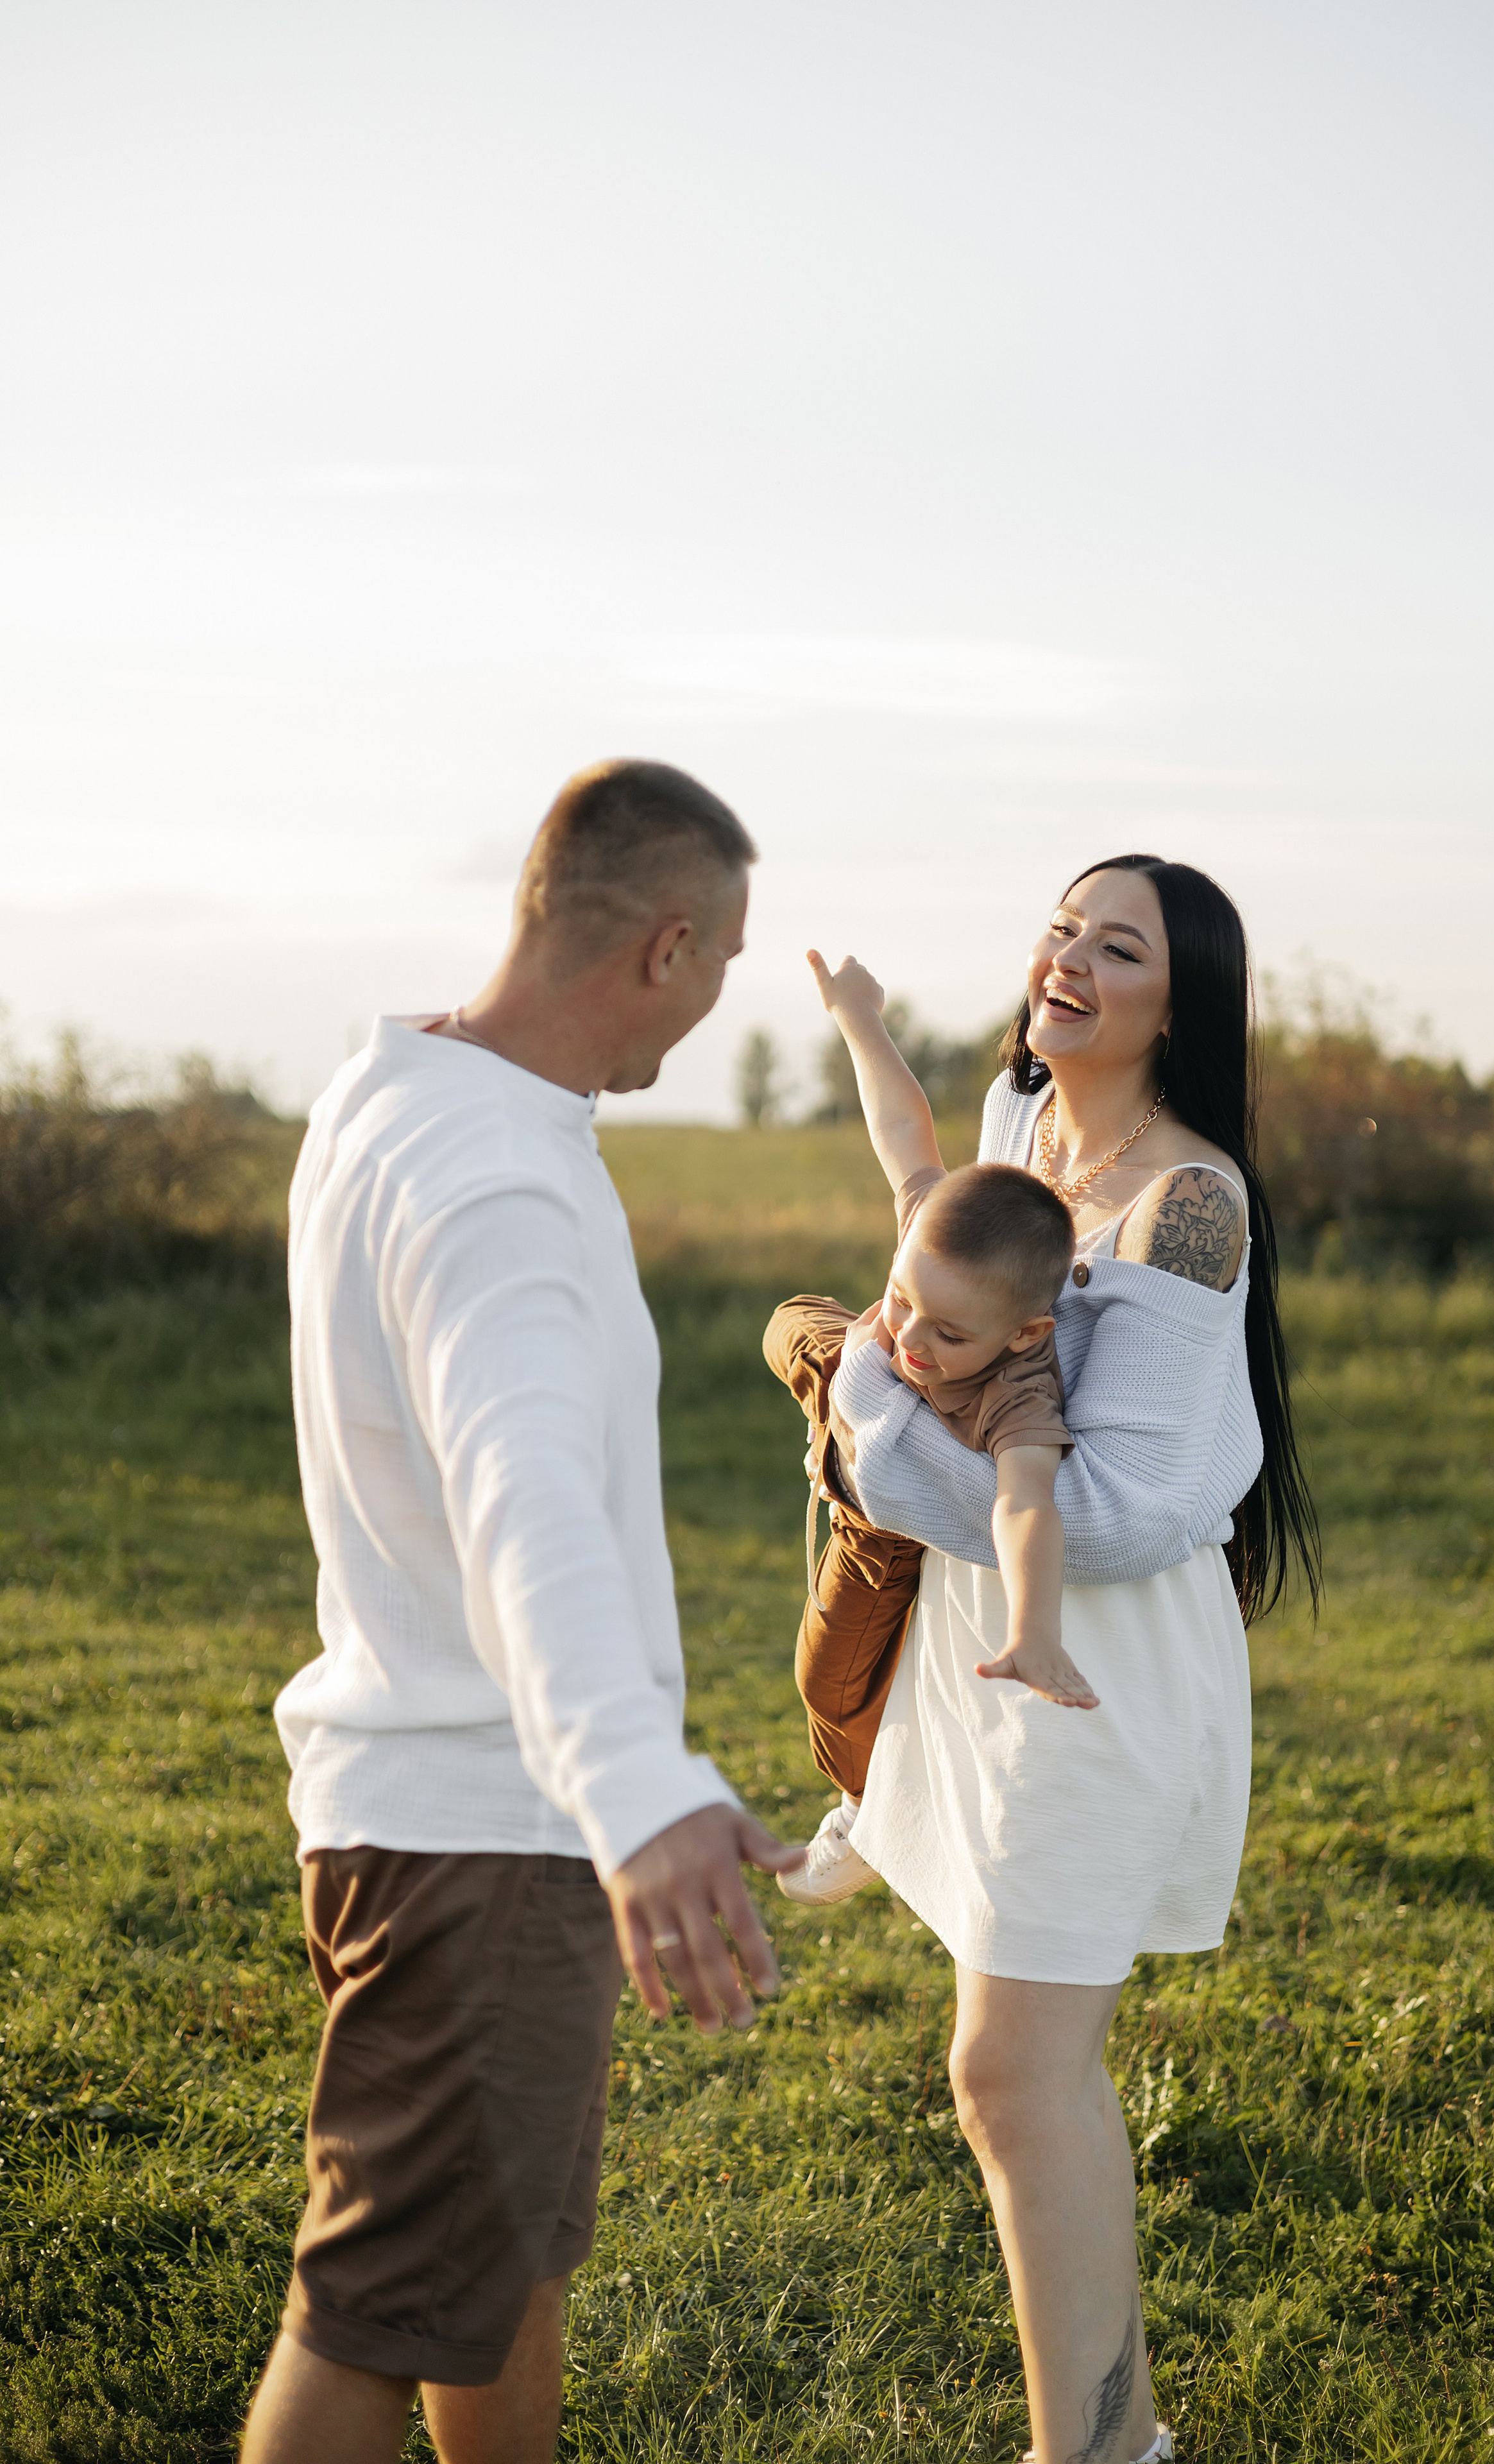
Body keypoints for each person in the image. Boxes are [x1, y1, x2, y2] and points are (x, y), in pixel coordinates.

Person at [239, 760, 802, 2464]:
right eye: (722, 967)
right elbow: (524, 1511)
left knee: (495, 2278)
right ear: (666, 946)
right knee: (368, 2326)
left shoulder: (400, 1094)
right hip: (480, 1838)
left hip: (482, 1822)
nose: (714, 1009)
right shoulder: (501, 1187)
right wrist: (638, 1796)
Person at [828, 857, 1321, 2464]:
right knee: (1002, 2070)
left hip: (1089, 1665)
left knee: (1010, 2069)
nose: (1068, 960)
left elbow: (1113, 1514)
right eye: (1061, 926)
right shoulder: (1012, 1119)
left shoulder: (1189, 1205)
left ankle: (1100, 2454)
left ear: (1179, 1008)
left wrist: (865, 1421)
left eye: (1118, 949)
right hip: (989, 1643)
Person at [764, 950, 1090, 1908]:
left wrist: (1034, 1629)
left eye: (949, 1335)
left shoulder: (1025, 1390)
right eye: (904, 1302)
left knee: (827, 1687)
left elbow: (1029, 1504)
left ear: (1025, 1332)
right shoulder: (934, 1240)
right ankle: (836, 1405)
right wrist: (860, 1017)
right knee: (799, 1322)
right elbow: (903, 1129)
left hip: (892, 1524)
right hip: (864, 1429)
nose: (908, 1338)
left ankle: (864, 1805)